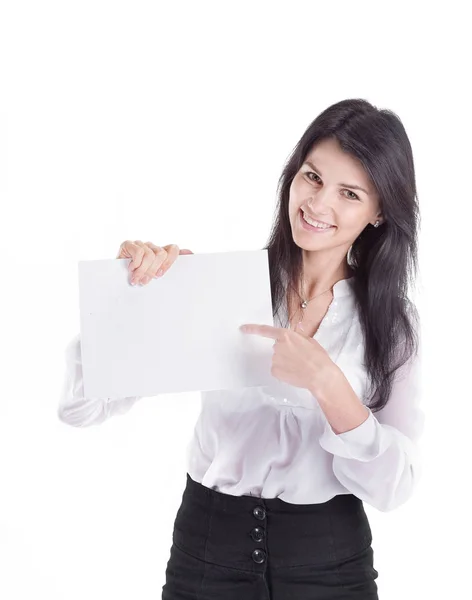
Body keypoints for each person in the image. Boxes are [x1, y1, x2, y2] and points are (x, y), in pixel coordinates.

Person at [58, 98, 425, 599]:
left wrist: (330, 386)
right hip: (207, 554)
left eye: (349, 193)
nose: (318, 205)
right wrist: (128, 304)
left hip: (331, 565)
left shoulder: (392, 325)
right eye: (312, 178)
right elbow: (80, 409)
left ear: (380, 211)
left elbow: (394, 487)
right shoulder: (219, 286)